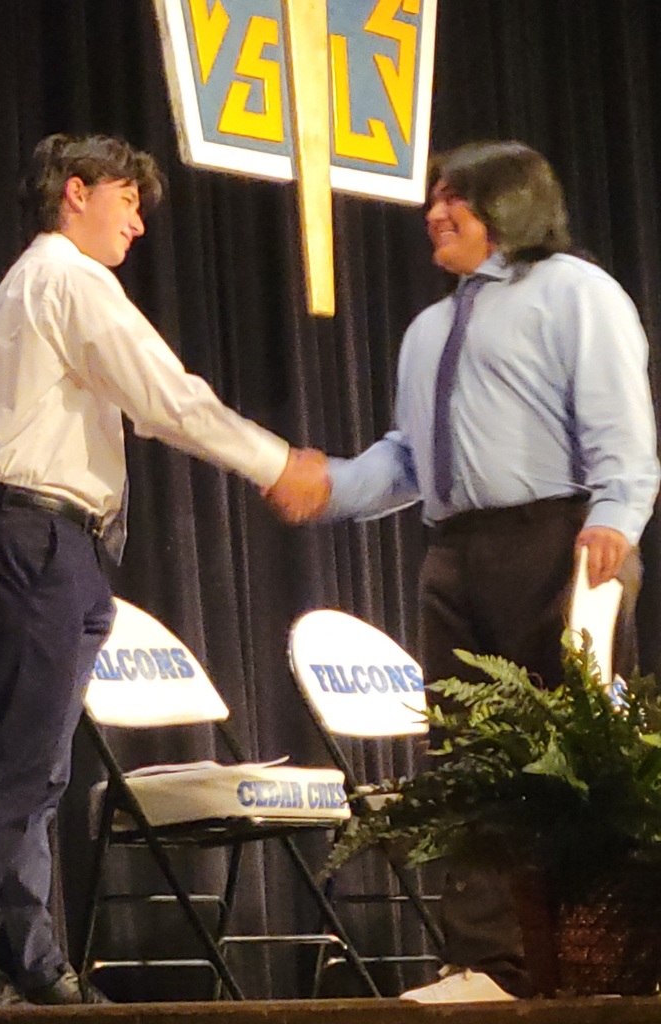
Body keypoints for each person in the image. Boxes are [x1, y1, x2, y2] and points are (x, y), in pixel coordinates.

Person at [0, 133, 330, 1009]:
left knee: (40, 768)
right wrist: (274, 462)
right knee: (18, 764)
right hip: (36, 538)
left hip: (40, 537)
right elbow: (165, 397)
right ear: (76, 192)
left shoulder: (26, 287)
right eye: (127, 202)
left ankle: (32, 961)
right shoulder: (68, 277)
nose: (139, 225)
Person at [267, 140, 660, 1001]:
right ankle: (489, 963)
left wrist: (616, 517)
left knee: (574, 762)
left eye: (456, 197)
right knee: (468, 762)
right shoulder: (428, 330)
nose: (434, 213)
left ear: (509, 204)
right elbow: (408, 458)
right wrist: (330, 485)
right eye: (434, 198)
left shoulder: (576, 292)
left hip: (561, 539)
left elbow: (620, 420)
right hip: (455, 553)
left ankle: (602, 957)